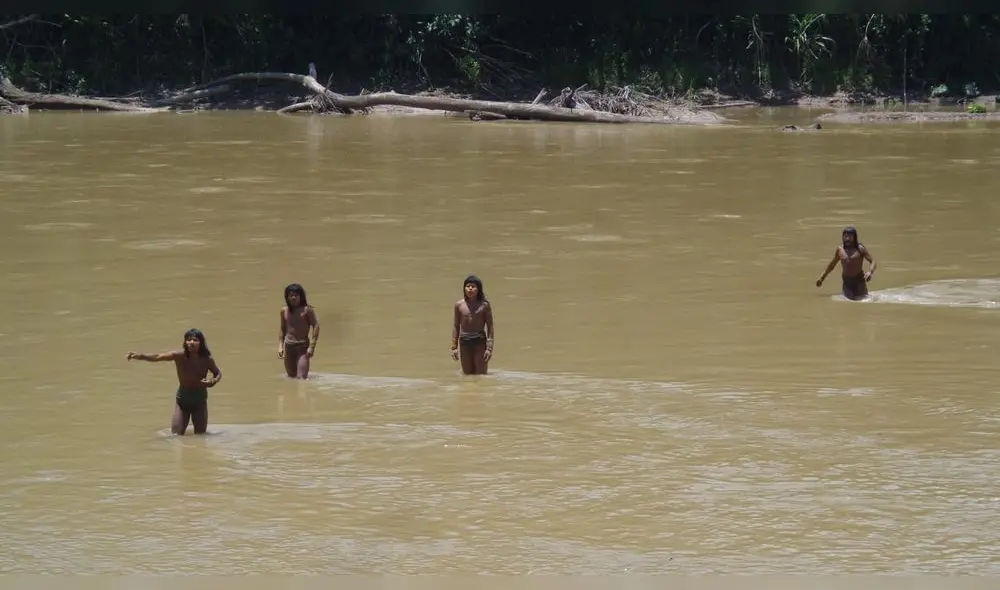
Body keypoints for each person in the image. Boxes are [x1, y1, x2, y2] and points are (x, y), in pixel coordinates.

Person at [126, 328, 222, 435]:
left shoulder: (207, 360)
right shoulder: (178, 356)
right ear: (185, 342)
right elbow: (158, 356)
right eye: (189, 340)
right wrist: (141, 356)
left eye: (195, 340)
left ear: (201, 343)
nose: (192, 342)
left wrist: (212, 381)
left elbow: (218, 373)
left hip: (200, 400)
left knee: (200, 435)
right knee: (176, 435)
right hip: (183, 399)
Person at [816, 226, 878, 301]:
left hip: (859, 281)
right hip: (847, 282)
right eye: (845, 236)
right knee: (848, 301)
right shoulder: (840, 250)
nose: (847, 239)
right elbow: (832, 265)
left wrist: (870, 272)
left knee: (863, 301)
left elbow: (873, 261)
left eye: (850, 236)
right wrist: (822, 278)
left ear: (854, 237)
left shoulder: (860, 248)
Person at [451, 275, 494, 375]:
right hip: (464, 341)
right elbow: (456, 326)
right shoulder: (459, 305)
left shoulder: (484, 305)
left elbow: (490, 327)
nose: (470, 289)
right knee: (467, 375)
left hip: (479, 341)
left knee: (481, 374)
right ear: (464, 289)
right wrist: (454, 347)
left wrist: (489, 348)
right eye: (468, 286)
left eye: (473, 286)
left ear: (478, 289)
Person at [279, 283, 320, 379]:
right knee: (291, 377)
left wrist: (312, 346)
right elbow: (282, 328)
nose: (293, 297)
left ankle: (303, 393)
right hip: (289, 346)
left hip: (302, 347)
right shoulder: (284, 311)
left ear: (301, 296)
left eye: (296, 295)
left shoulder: (307, 310)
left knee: (301, 379)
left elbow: (316, 326)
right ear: (287, 297)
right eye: (291, 295)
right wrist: (280, 346)